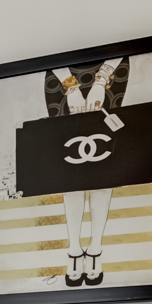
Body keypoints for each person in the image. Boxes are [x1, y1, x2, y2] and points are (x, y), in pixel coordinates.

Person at [44, 57, 128, 287]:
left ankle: (95, 247)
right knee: (70, 164)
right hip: (63, 71)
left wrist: (102, 80)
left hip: (110, 69)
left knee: (103, 162)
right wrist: (70, 85)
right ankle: (74, 247)